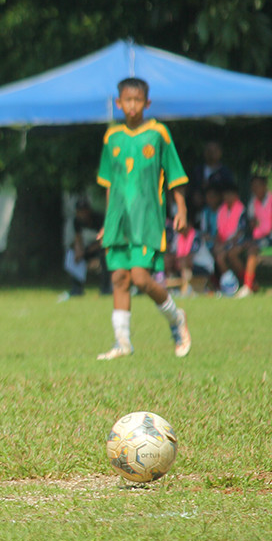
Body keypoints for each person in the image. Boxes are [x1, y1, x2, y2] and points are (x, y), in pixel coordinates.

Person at [94, 77, 192, 360]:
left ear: (147, 103)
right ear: (118, 103)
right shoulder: (111, 137)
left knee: (140, 277)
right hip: (119, 220)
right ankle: (122, 342)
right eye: (128, 100)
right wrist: (107, 223)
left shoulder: (158, 133)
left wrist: (181, 208)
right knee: (120, 277)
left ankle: (176, 318)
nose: (132, 106)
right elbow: (110, 183)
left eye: (138, 101)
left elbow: (174, 173)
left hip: (147, 218)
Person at [232, 175, 272, 298]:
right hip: (259, 238)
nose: (255, 189)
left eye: (258, 186)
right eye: (253, 186)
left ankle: (247, 285)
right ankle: (252, 283)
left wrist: (258, 235)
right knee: (233, 253)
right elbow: (252, 223)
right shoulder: (253, 202)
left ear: (264, 186)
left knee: (252, 249)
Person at [62, 198, 110, 297]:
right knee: (71, 255)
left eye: (84, 211)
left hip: (100, 247)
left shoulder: (98, 219)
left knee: (104, 257)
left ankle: (106, 288)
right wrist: (78, 252)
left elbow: (103, 240)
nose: (82, 214)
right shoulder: (77, 221)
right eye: (80, 212)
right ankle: (77, 288)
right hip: (86, 248)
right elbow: (78, 238)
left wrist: (85, 251)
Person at [213, 180, 249, 296]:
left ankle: (247, 282)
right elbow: (219, 231)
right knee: (219, 257)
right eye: (225, 195)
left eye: (229, 194)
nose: (227, 197)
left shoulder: (241, 209)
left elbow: (241, 231)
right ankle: (231, 284)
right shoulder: (221, 210)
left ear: (235, 196)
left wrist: (228, 243)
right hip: (225, 243)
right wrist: (220, 244)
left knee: (232, 255)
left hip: (240, 241)